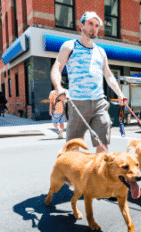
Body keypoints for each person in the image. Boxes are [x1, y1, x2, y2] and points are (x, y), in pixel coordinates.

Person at [51, 11, 128, 153]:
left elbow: (109, 75)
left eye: (97, 25)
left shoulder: (101, 51)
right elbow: (57, 68)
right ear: (81, 26)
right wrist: (58, 88)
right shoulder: (69, 46)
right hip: (77, 103)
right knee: (73, 148)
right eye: (90, 24)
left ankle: (98, 174)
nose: (94, 28)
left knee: (103, 146)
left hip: (99, 102)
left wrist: (119, 93)